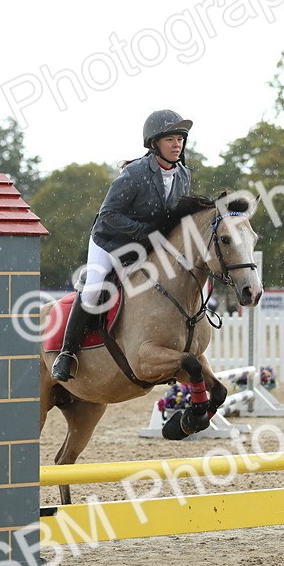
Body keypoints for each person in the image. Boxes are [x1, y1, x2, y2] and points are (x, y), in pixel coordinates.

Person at [50, 110, 194, 382]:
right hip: (111, 240)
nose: (177, 145)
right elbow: (108, 215)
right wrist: (144, 232)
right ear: (154, 144)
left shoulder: (183, 175)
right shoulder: (136, 173)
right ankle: (66, 354)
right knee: (94, 289)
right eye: (171, 140)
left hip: (149, 243)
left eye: (180, 140)